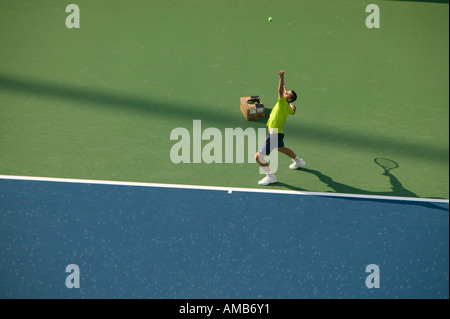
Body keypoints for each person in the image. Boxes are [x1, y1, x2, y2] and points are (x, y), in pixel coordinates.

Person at [255, 70, 305, 186]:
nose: (285, 93)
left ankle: (270, 177)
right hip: (279, 133)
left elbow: (279, 91)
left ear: (288, 99)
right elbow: (293, 110)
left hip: (274, 134)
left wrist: (281, 77)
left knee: (258, 157)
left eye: (287, 94)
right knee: (280, 148)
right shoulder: (288, 107)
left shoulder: (283, 102)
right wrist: (291, 104)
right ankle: (298, 161)